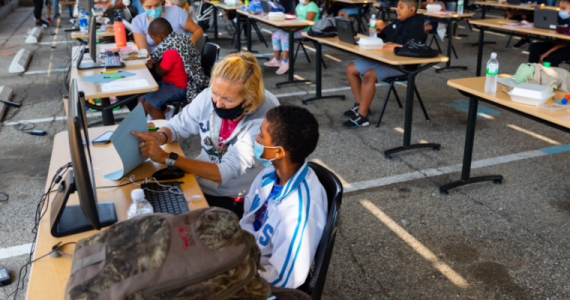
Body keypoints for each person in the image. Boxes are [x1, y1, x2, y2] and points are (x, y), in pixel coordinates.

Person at [131, 53, 280, 217]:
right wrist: (160, 136)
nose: (217, 102)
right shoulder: (211, 95)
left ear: (249, 100)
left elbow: (224, 172)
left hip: (235, 196)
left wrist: (168, 158)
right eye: (215, 93)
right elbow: (178, 124)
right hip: (202, 181)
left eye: (227, 99)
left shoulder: (265, 120)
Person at [240, 105, 327, 290]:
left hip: (263, 282)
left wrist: (231, 274)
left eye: (262, 136)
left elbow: (284, 278)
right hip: (245, 254)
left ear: (278, 152)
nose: (256, 138)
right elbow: (247, 215)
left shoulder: (300, 211)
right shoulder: (269, 173)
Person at [343, 0, 424, 128]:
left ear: (412, 10)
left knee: (369, 75)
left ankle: (362, 116)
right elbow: (388, 38)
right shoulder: (399, 21)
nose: (397, 9)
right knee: (351, 67)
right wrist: (378, 32)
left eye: (401, 7)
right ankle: (361, 105)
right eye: (397, 6)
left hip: (403, 64)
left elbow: (403, 43)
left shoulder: (416, 25)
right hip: (386, 58)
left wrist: (385, 28)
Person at [139, 18, 208, 120]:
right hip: (175, 84)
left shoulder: (170, 51)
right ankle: (139, 126)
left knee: (150, 104)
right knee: (142, 96)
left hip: (179, 87)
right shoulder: (180, 39)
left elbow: (160, 72)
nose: (153, 41)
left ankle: (163, 131)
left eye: (153, 38)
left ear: (159, 36)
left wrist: (155, 61)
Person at [263, 0, 320, 75]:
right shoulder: (299, 5)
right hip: (297, 28)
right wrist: (290, 24)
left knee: (285, 36)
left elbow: (307, 22)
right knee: (275, 35)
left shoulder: (312, 6)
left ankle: (285, 62)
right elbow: (295, 18)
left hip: (307, 31)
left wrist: (292, 26)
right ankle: (276, 60)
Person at [132, 0, 203, 53]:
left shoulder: (176, 12)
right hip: (155, 61)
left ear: (162, 1)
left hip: (180, 59)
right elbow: (144, 53)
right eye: (149, 7)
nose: (153, 9)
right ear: (141, 4)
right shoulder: (138, 22)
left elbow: (198, 30)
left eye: (157, 5)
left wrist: (192, 40)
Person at [528, 0, 570, 66]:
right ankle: (532, 72)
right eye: (560, 7)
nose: (560, 10)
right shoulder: (561, 17)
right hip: (559, 43)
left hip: (567, 46)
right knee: (534, 47)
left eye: (563, 8)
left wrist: (546, 53)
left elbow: (565, 42)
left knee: (551, 57)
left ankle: (549, 76)